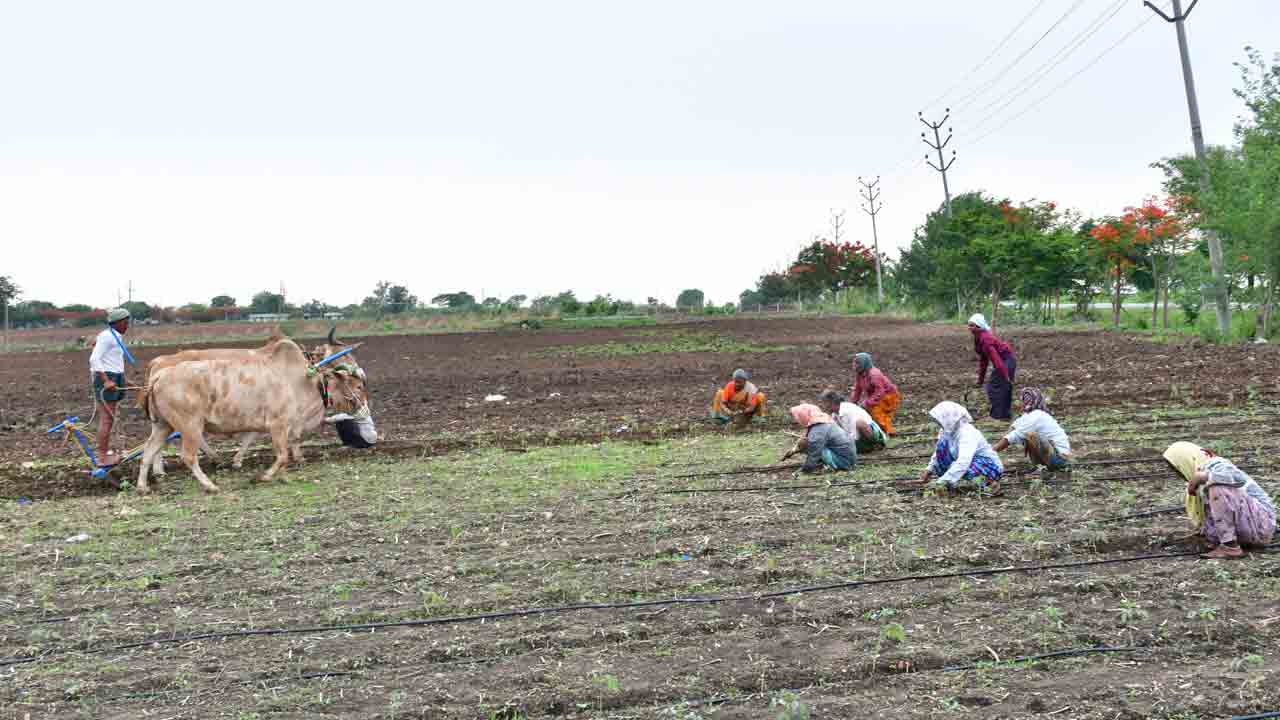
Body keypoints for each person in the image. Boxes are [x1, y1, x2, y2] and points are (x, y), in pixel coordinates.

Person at [1163, 442, 1275, 559]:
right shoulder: (1200, 476)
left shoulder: (1217, 464)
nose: (1179, 473)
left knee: (1216, 486)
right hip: (1247, 527)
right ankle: (1226, 541)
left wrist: (1205, 477)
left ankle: (1230, 547)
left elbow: (1236, 479)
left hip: (1261, 524)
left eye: (1177, 468)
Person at [915, 401, 1003, 496]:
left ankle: (990, 483)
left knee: (967, 465)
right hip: (966, 461)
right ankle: (948, 482)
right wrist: (929, 470)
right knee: (942, 447)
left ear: (949, 418)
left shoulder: (967, 433)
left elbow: (964, 461)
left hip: (988, 466)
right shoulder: (946, 431)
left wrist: (941, 483)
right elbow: (938, 452)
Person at [89, 308, 136, 467]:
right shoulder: (107, 336)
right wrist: (106, 381)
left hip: (115, 377)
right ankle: (102, 458)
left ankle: (107, 453)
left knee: (110, 419)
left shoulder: (115, 336)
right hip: (106, 379)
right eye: (125, 322)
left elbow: (112, 360)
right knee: (107, 420)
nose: (127, 325)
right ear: (117, 323)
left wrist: (124, 380)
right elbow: (94, 359)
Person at [992, 387, 1072, 473]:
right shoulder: (1029, 415)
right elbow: (1013, 428)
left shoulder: (1036, 415)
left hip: (1059, 458)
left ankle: (1041, 467)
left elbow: (1015, 435)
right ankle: (1041, 466)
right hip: (1056, 456)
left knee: (1031, 436)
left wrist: (992, 451)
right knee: (1027, 434)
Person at [968, 314, 1017, 421]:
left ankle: (997, 416)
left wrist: (1005, 374)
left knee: (993, 387)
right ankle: (1004, 415)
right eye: (969, 325)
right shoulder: (978, 338)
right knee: (1003, 387)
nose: (969, 328)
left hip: (1006, 361)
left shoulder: (985, 338)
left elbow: (995, 358)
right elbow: (984, 361)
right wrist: (980, 380)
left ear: (979, 327)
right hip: (1005, 361)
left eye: (972, 325)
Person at [788, 403, 855, 473]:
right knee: (808, 443)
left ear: (803, 415)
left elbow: (814, 452)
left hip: (844, 462)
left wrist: (805, 469)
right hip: (848, 458)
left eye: (798, 417)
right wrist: (794, 450)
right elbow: (805, 439)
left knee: (812, 446)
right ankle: (826, 463)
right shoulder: (824, 421)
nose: (797, 420)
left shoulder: (818, 428)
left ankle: (835, 466)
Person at [818, 388, 887, 454]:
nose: (823, 406)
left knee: (860, 423)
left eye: (825, 403)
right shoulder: (834, 414)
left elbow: (854, 435)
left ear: (831, 402)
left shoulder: (847, 410)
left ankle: (876, 444)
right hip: (855, 438)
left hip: (869, 435)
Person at [850, 352, 901, 436]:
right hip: (877, 395)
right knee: (869, 411)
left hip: (889, 396)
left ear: (864, 364)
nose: (854, 365)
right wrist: (852, 404)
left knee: (876, 412)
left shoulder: (874, 374)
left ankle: (888, 432)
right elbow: (857, 390)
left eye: (857, 363)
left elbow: (880, 391)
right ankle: (878, 430)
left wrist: (867, 403)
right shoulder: (860, 374)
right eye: (854, 362)